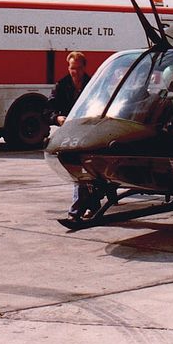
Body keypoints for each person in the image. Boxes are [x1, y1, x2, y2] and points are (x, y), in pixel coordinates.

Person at [45, 51, 97, 221]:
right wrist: (57, 118)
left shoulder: (93, 84)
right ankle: (88, 206)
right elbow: (48, 110)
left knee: (88, 171)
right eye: (72, 68)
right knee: (77, 171)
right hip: (71, 135)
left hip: (89, 133)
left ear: (84, 67)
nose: (75, 72)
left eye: (78, 68)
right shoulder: (62, 85)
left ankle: (79, 210)